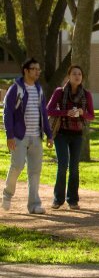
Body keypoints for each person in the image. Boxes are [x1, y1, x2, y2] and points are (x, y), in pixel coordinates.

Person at [2, 57, 53, 214]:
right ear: (26, 70)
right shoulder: (15, 89)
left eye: (39, 69)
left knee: (35, 172)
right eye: (34, 69)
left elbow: (43, 113)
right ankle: (7, 195)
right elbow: (7, 112)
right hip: (19, 136)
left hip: (36, 137)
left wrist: (49, 134)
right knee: (17, 166)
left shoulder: (38, 89)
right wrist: (9, 135)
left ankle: (34, 205)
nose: (38, 72)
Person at [47, 65, 94, 210]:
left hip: (77, 135)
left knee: (74, 167)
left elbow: (91, 116)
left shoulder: (86, 95)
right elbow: (48, 109)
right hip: (61, 134)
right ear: (68, 76)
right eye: (74, 74)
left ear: (82, 77)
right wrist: (65, 112)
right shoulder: (59, 92)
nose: (77, 76)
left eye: (79, 74)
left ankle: (72, 200)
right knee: (62, 165)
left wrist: (82, 112)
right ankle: (57, 199)